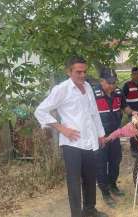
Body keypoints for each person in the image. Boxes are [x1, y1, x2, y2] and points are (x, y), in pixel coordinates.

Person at [34, 57, 107, 217]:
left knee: (90, 177)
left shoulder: (87, 87)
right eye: (78, 72)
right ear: (69, 72)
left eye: (84, 72)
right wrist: (61, 129)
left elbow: (94, 112)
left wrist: (101, 134)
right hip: (72, 144)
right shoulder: (62, 89)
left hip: (90, 141)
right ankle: (76, 214)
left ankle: (90, 210)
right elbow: (40, 110)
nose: (82, 75)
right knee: (74, 182)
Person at [93, 67, 136, 207]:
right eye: (109, 82)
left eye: (114, 82)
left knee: (115, 162)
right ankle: (105, 192)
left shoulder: (118, 92)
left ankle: (112, 185)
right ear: (101, 81)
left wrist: (133, 113)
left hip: (115, 135)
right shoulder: (93, 93)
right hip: (100, 137)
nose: (112, 85)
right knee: (101, 165)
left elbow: (125, 107)